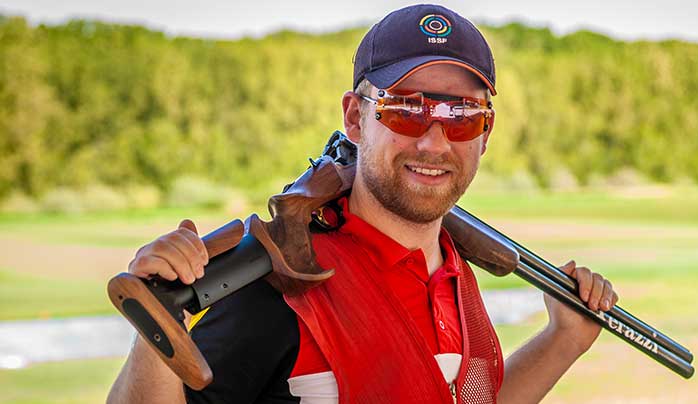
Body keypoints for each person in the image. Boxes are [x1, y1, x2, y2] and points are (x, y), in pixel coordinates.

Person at [107, 4, 619, 404]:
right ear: (355, 118)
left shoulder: (454, 270)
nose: (435, 143)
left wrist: (563, 340)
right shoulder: (283, 284)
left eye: (461, 115)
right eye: (405, 111)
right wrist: (156, 326)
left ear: (485, 134)